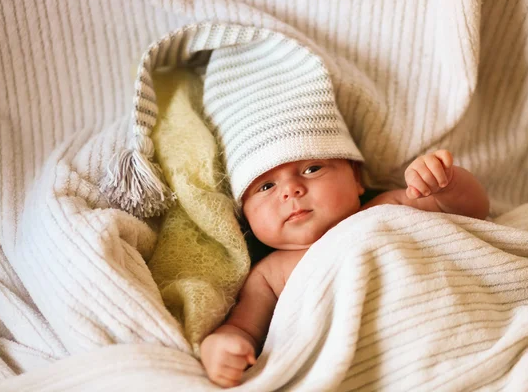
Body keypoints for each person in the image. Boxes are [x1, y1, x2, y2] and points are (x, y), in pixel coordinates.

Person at [200, 149, 489, 388]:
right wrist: (221, 344)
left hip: (446, 327)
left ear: (356, 179)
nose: (291, 190)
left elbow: (472, 212)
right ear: (245, 217)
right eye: (266, 187)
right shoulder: (269, 273)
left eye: (312, 168)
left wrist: (446, 183)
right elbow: (243, 328)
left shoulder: (389, 205)